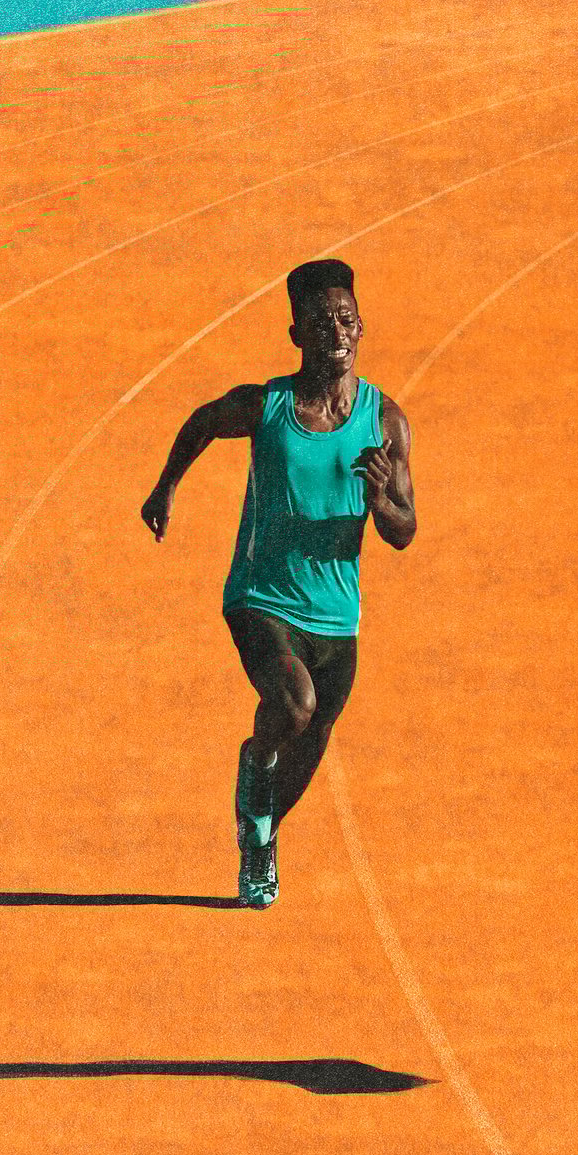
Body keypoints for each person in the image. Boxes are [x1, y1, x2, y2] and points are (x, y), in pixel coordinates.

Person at [141, 259, 416, 908]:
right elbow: (203, 420)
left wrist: (382, 503)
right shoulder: (266, 407)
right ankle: (257, 776)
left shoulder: (386, 422)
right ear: (295, 335)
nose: (336, 332)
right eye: (320, 323)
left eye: (346, 319)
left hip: (336, 619)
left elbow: (404, 530)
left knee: (310, 744)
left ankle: (259, 824)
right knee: (293, 705)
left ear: (362, 326)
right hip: (260, 599)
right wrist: (165, 486)